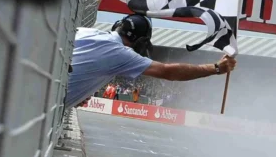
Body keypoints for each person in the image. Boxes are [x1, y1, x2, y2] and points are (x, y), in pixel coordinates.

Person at [65, 13, 237, 109]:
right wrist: (214, 68)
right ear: (141, 41)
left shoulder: (85, 31)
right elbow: (166, 71)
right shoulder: (119, 53)